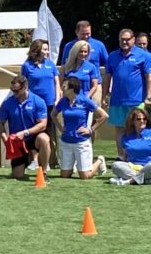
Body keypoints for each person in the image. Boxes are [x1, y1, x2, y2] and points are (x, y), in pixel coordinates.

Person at [102, 29, 151, 159]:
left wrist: (148, 96)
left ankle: (137, 157)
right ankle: (121, 157)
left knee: (138, 128)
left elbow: (148, 77)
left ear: (133, 40)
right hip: (117, 100)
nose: (124, 41)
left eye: (127, 39)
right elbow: (107, 78)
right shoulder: (112, 56)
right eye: (121, 39)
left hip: (137, 101)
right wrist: (104, 96)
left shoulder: (144, 56)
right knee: (119, 129)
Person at [51, 77, 108, 179]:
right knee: (64, 175)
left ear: (72, 88)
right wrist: (60, 127)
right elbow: (53, 114)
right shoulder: (63, 101)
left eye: (64, 86)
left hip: (81, 141)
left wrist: (91, 129)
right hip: (66, 141)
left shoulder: (84, 100)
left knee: (85, 176)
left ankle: (99, 161)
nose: (62, 88)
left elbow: (104, 115)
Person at [0, 76, 51, 180]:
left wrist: (25, 132)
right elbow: (0, 123)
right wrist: (6, 140)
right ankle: (24, 162)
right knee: (17, 175)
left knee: (44, 139)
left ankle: (43, 173)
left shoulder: (38, 101)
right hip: (18, 141)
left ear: (25, 87)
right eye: (12, 90)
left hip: (34, 137)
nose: (14, 92)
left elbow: (43, 124)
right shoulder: (7, 103)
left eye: (16, 90)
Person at [21, 39, 61, 169]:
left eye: (47, 49)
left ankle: (47, 162)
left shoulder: (50, 64)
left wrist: (57, 97)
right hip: (33, 104)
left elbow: (56, 81)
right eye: (44, 49)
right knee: (33, 131)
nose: (47, 51)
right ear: (37, 50)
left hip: (49, 104)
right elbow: (24, 84)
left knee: (48, 132)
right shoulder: (27, 66)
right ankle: (34, 159)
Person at [61, 20, 109, 103]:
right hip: (73, 87)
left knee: (96, 112)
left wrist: (108, 84)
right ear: (76, 32)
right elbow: (63, 66)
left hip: (94, 86)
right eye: (83, 34)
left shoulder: (99, 45)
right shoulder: (69, 46)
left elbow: (108, 65)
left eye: (88, 33)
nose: (86, 36)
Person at [109, 108, 151, 185]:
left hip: (148, 167)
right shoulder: (126, 136)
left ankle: (129, 181)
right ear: (132, 121)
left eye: (144, 119)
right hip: (134, 168)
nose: (142, 121)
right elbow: (125, 157)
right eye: (138, 119)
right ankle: (146, 180)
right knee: (116, 165)